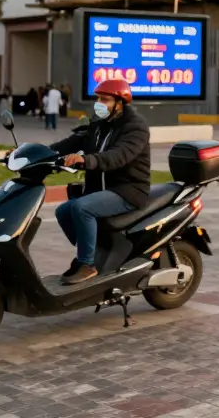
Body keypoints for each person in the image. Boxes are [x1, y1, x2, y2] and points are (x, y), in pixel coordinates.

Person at [49, 79, 151, 285]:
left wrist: (87, 160)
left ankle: (87, 265)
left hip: (127, 189)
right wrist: (37, 153)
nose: (99, 103)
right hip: (103, 189)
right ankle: (94, 252)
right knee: (62, 212)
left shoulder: (136, 127)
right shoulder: (99, 125)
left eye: (105, 99)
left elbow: (118, 156)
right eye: (98, 98)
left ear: (119, 103)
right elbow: (72, 143)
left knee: (81, 208)